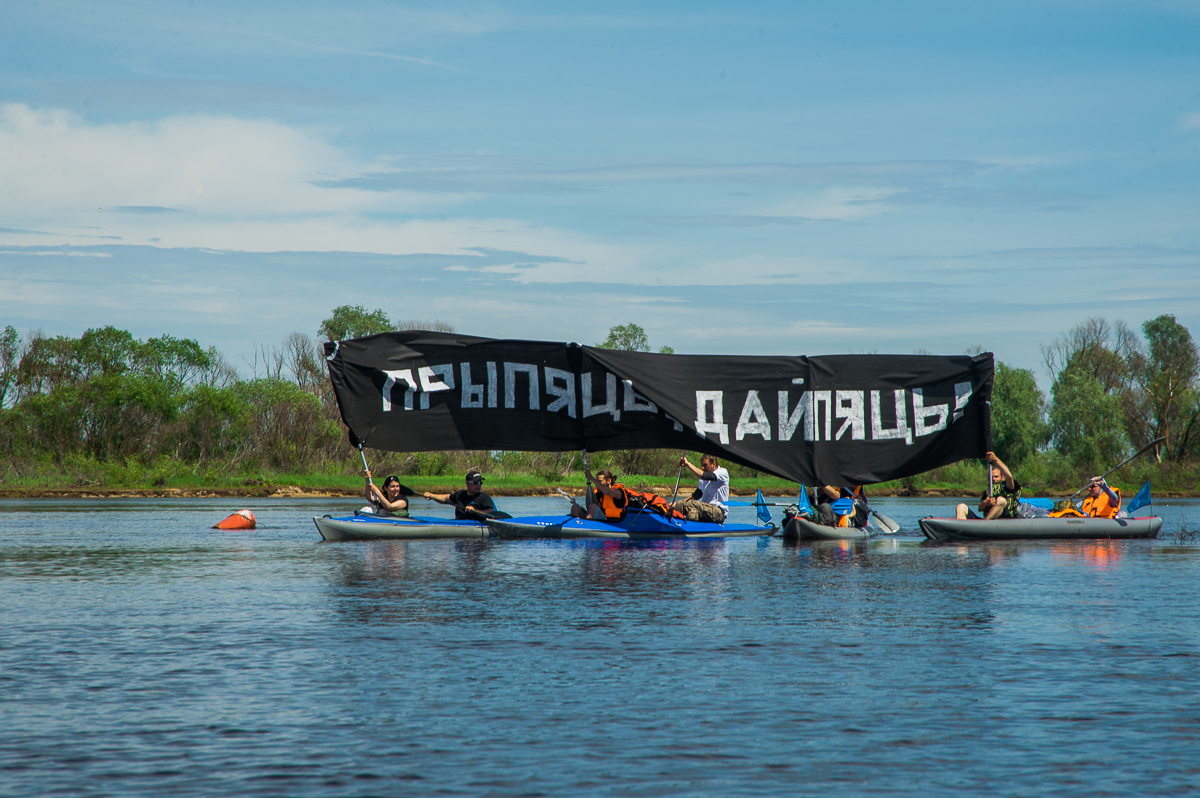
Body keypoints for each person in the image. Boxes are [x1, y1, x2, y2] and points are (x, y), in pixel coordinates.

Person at [956, 452, 1020, 520]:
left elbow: (1009, 476)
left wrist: (995, 459)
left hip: (1003, 520)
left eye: (996, 477)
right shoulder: (988, 492)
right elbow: (980, 508)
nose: (993, 479)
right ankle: (960, 529)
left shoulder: (1008, 488)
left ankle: (986, 522)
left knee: (1001, 500)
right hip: (987, 520)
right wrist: (986, 503)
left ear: (1002, 478)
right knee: (961, 506)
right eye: (991, 477)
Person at [673, 454, 729, 524]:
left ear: (714, 463)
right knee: (680, 504)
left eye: (705, 465)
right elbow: (697, 494)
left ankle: (691, 526)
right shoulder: (702, 478)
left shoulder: (722, 472)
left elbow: (705, 476)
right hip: (705, 509)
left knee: (691, 504)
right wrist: (677, 504)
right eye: (702, 465)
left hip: (718, 512)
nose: (703, 468)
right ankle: (671, 521)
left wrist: (688, 464)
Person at [424, 469, 497, 520]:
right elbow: (446, 498)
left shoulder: (484, 498)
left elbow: (491, 512)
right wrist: (431, 496)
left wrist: (475, 510)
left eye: (480, 483)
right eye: (475, 483)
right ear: (467, 483)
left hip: (476, 525)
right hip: (459, 523)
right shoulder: (460, 495)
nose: (478, 485)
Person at [1051, 476, 1122, 519]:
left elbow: (1114, 497)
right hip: (1088, 521)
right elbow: (1075, 507)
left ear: (1100, 488)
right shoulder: (1087, 499)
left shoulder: (1110, 498)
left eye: (1092, 486)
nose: (1089, 489)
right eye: (1088, 487)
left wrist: (1104, 486)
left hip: (1104, 522)